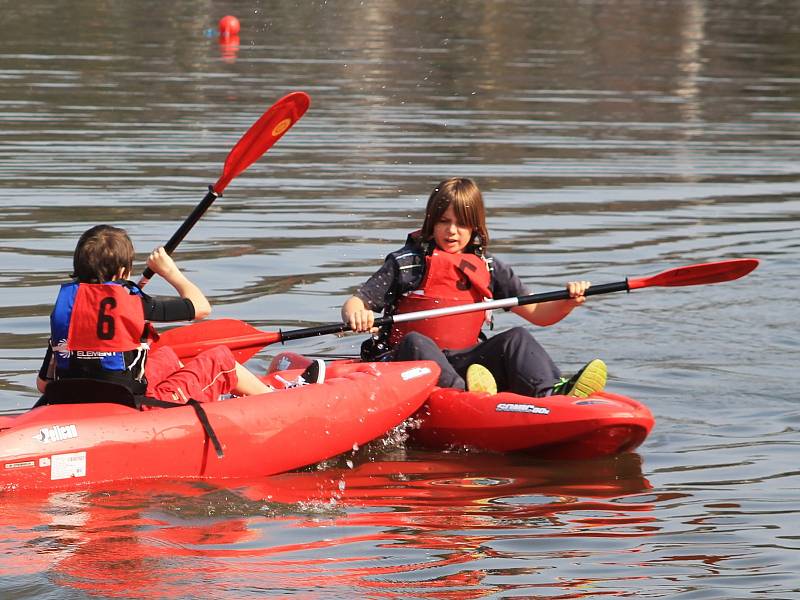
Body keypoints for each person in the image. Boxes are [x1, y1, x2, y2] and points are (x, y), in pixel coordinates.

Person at [340, 177, 607, 398]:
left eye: (462, 223)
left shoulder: (489, 268)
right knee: (416, 341)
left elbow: (538, 313)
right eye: (444, 221)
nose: (452, 231)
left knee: (517, 338)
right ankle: (467, 397)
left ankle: (551, 395)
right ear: (431, 222)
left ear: (475, 226)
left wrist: (569, 301)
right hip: (408, 364)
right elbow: (356, 302)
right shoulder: (407, 263)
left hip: (466, 363)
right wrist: (357, 313)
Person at [36, 224, 320, 407]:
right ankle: (277, 404)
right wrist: (169, 271)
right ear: (123, 273)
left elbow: (43, 384)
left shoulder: (66, 308)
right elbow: (200, 306)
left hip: (74, 399)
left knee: (168, 357)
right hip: (133, 406)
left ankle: (222, 394)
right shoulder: (134, 302)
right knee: (222, 359)